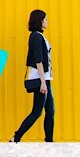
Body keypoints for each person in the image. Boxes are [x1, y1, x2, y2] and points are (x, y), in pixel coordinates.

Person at [10, 9, 55, 142]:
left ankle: (49, 141)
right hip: (40, 79)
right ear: (40, 21)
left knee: (50, 111)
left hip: (45, 78)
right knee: (37, 112)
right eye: (45, 19)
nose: (47, 21)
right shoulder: (36, 36)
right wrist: (43, 82)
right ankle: (16, 137)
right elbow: (38, 60)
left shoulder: (39, 36)